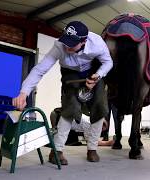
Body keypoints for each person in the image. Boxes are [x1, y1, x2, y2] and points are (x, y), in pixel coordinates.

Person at [12, 21, 113, 165]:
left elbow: (108, 62)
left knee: (100, 106)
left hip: (93, 71)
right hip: (70, 73)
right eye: (66, 41)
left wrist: (98, 75)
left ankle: (92, 148)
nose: (67, 46)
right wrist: (24, 93)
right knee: (70, 107)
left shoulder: (97, 43)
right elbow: (40, 69)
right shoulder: (59, 45)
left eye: (71, 44)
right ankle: (57, 151)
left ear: (84, 41)